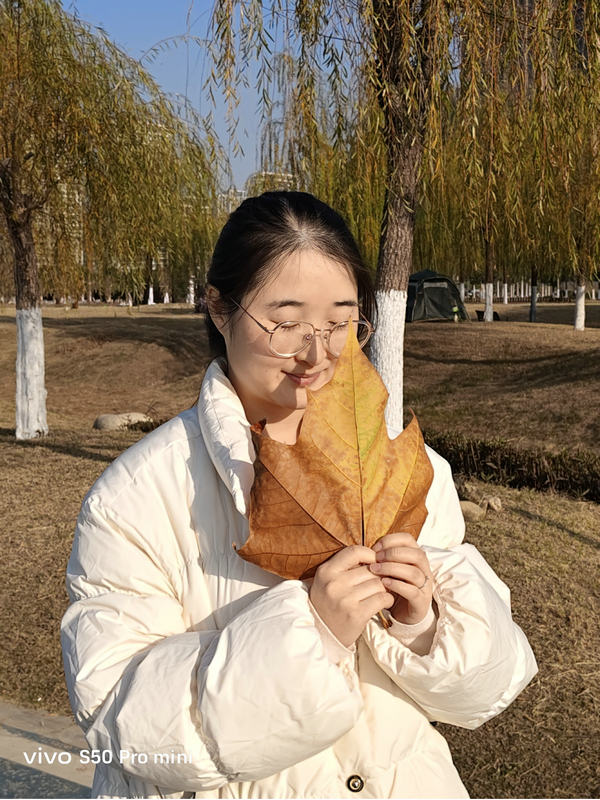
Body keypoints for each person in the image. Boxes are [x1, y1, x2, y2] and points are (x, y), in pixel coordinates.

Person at [61, 191, 537, 799]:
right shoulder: (138, 496)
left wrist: (423, 625)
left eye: (341, 322)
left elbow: (485, 689)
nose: (319, 353)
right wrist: (312, 634)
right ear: (218, 308)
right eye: (286, 324)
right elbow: (120, 715)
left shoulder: (406, 470)